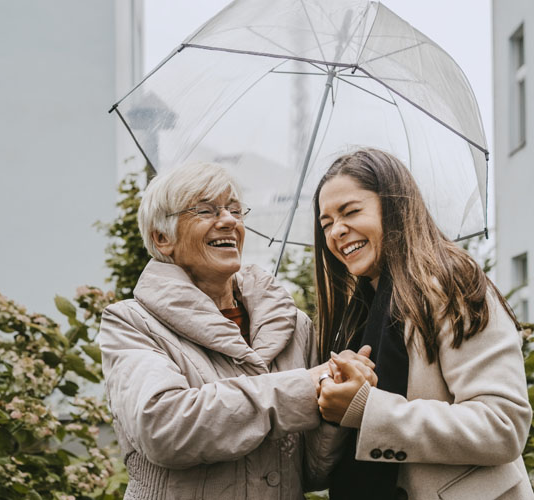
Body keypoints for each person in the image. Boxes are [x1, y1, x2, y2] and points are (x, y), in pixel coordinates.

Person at [98, 162, 353, 499]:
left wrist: (335, 406)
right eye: (205, 210)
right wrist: (305, 387)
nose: (230, 220)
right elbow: (163, 427)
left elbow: (311, 472)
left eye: (235, 210)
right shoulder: (132, 322)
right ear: (162, 239)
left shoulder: (294, 326)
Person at [313, 148, 534, 499]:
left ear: (395, 206)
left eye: (351, 211)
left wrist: (366, 408)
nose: (337, 231)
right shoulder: (358, 311)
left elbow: (502, 426)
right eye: (326, 224)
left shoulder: (451, 285)